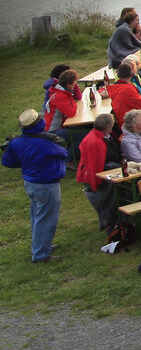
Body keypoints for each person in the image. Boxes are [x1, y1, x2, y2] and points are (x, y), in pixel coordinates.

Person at [4, 109, 71, 262]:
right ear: (38, 123)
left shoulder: (16, 142)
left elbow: (7, 161)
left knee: (37, 215)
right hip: (46, 184)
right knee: (46, 219)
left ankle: (40, 246)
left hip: (30, 182)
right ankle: (41, 254)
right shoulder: (44, 142)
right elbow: (64, 153)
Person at [74, 113, 119, 232]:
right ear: (108, 127)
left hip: (99, 175)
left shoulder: (99, 137)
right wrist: (95, 184)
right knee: (105, 201)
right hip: (96, 178)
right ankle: (109, 225)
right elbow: (93, 166)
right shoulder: (95, 142)